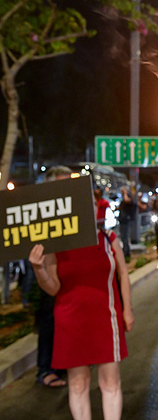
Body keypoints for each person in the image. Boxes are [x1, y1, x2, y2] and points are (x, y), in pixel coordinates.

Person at [28, 183, 134, 419]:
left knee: (110, 382)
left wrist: (127, 309)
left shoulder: (108, 239)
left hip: (107, 318)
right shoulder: (56, 244)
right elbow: (53, 287)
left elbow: (123, 274)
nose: (89, 208)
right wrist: (38, 269)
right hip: (70, 321)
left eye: (92, 203)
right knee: (78, 384)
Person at [34, 166, 73, 388]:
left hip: (69, 267)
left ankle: (62, 363)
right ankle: (45, 369)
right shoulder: (40, 209)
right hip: (48, 264)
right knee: (49, 317)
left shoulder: (73, 206)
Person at [117, 187, 136, 258]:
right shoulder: (124, 201)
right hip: (122, 220)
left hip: (126, 221)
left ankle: (126, 252)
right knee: (123, 237)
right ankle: (126, 251)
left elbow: (127, 200)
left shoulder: (129, 199)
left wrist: (125, 193)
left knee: (125, 237)